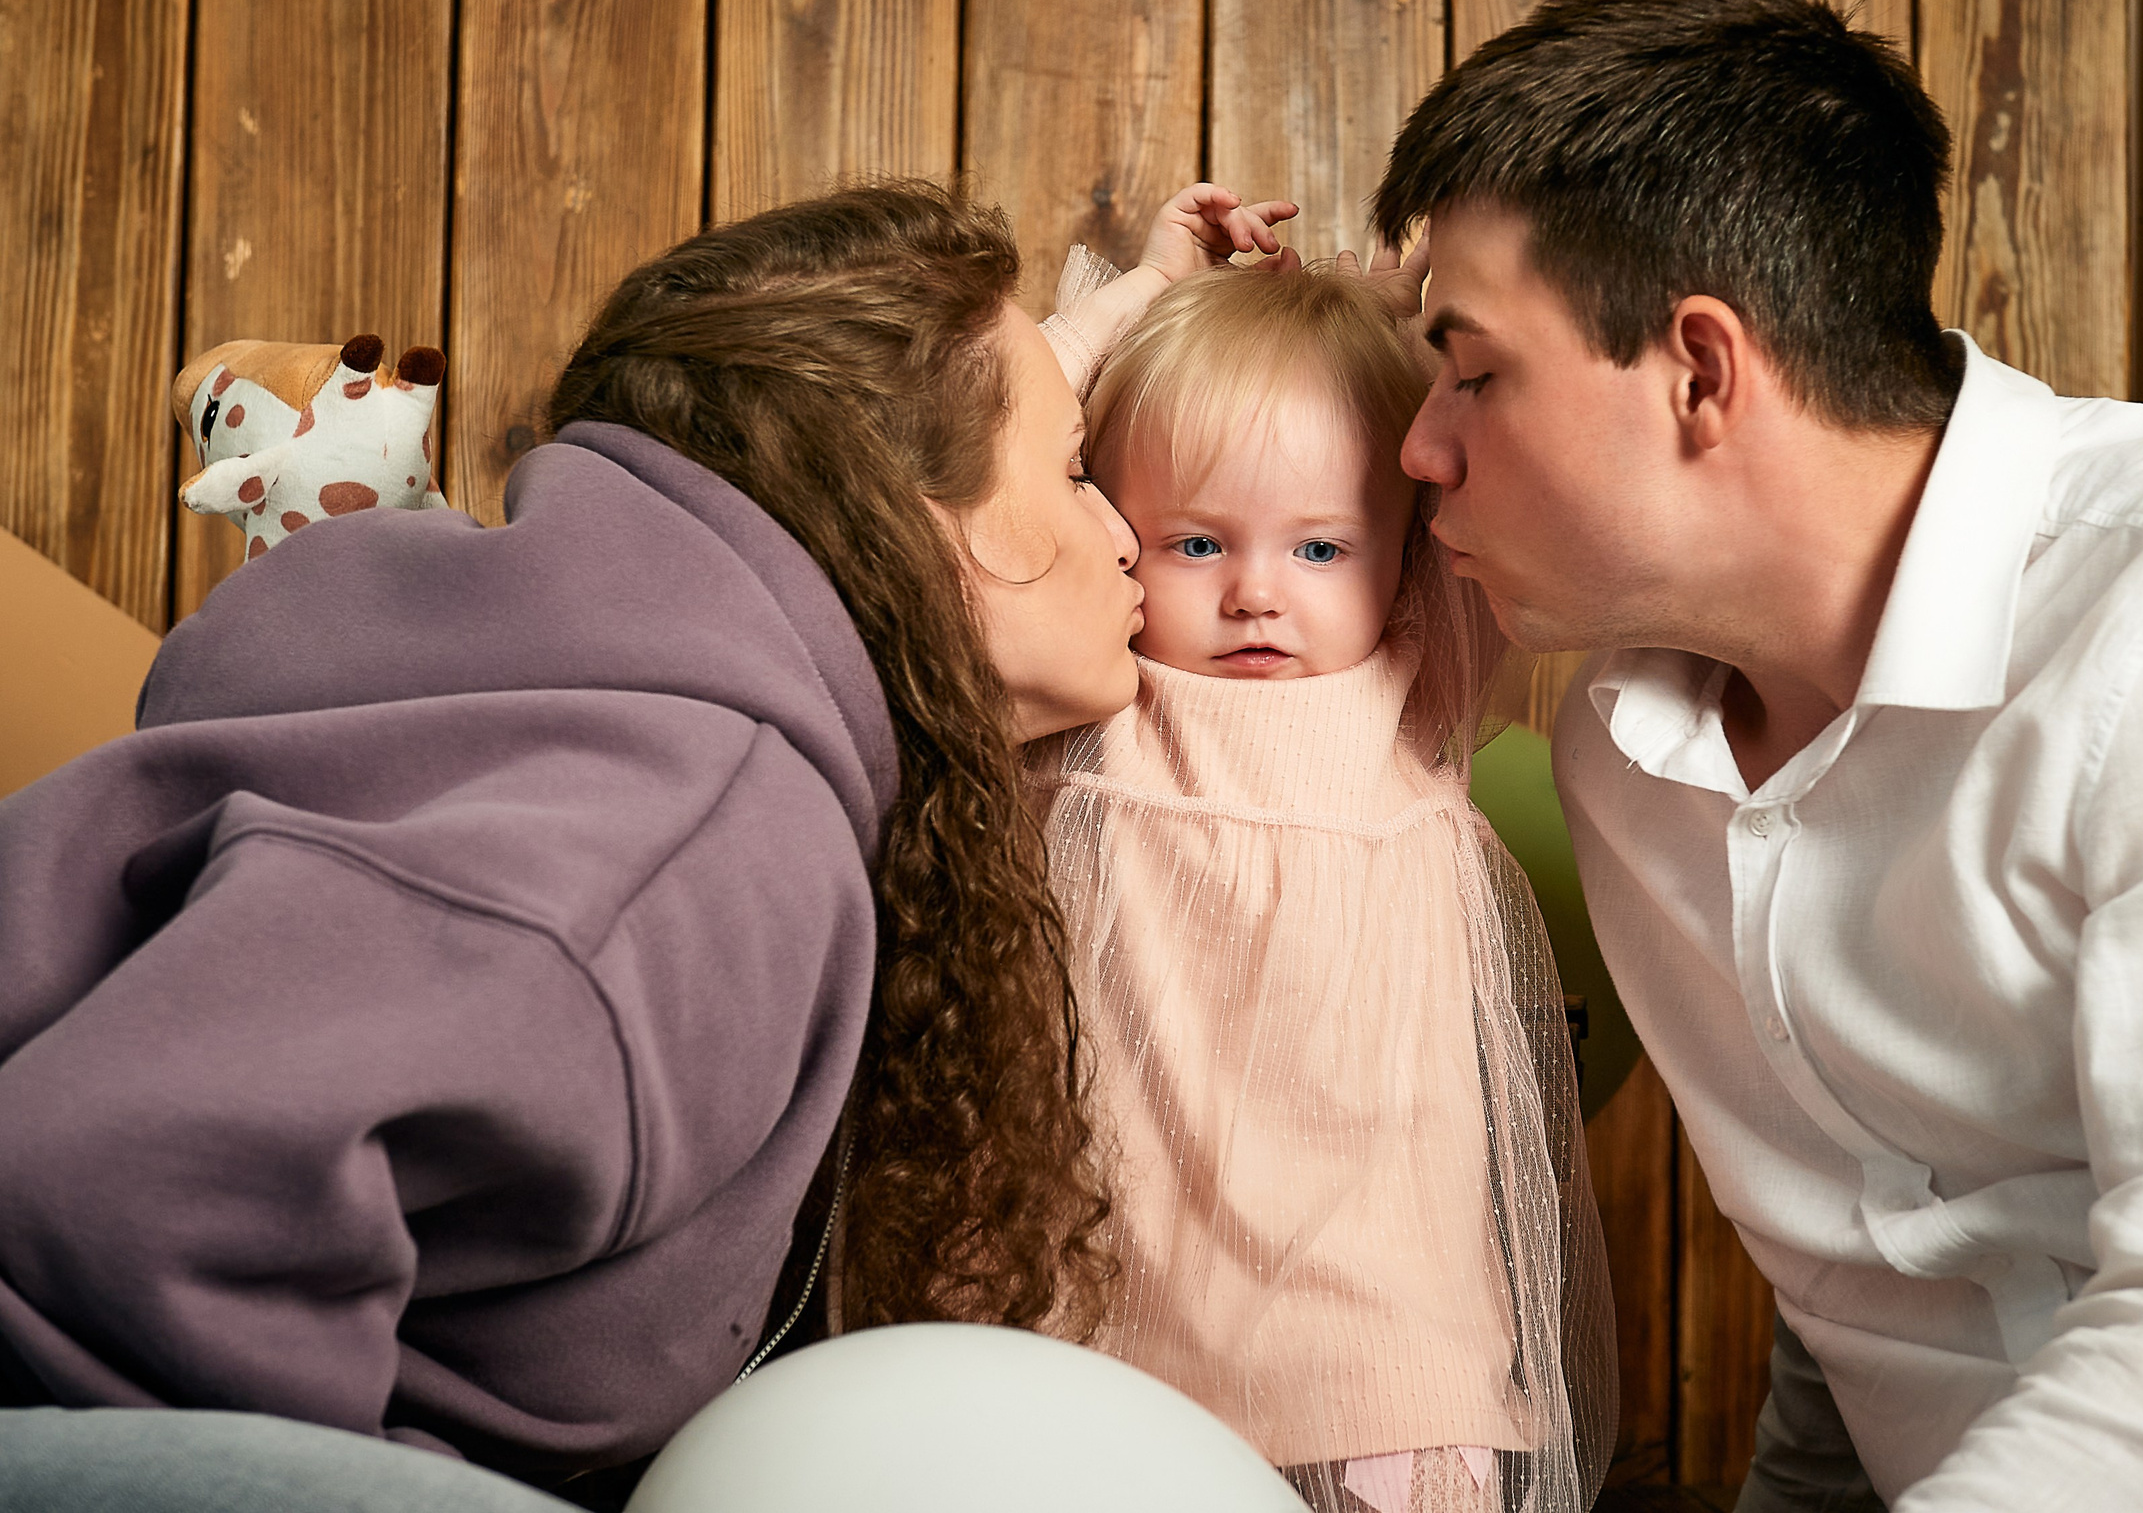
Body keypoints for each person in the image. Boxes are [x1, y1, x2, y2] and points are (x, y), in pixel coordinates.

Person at [1373, 0, 2143, 1511]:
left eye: (1473, 370)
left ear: (1700, 372)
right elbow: (1867, 1281)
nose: (1421, 446)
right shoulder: (1626, 757)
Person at [0, 178, 1280, 1509]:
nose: (1122, 536)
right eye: (1072, 470)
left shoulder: (596, 683)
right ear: (907, 508)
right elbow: (119, 1184)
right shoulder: (689, 842)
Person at [1032, 259, 1614, 1513]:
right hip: (1126, 1347)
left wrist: (1420, 341)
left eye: (1319, 546)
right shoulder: (1086, 708)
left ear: (1404, 556)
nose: (1256, 591)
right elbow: (940, 526)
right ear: (1108, 529)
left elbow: (1531, 486)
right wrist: (1101, 326)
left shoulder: (1409, 691)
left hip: (1386, 1362)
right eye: (1195, 542)